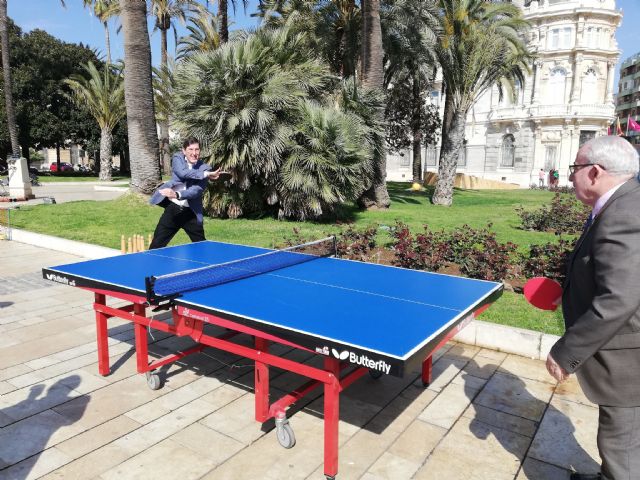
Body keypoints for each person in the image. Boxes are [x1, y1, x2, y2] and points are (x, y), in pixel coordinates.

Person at [546, 136, 640, 480]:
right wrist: (570, 294)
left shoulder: (625, 215)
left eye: (575, 168)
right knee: (617, 439)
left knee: (622, 449)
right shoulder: (621, 204)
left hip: (628, 363)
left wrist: (565, 352)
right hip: (625, 357)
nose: (571, 177)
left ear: (595, 172)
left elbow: (619, 298)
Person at [149, 137, 222, 249]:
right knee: (156, 245)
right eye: (190, 149)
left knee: (200, 246)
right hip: (173, 210)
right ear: (184, 151)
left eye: (197, 149)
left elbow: (196, 191)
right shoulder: (178, 158)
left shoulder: (204, 167)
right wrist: (206, 174)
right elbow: (182, 173)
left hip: (191, 212)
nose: (194, 153)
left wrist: (177, 195)